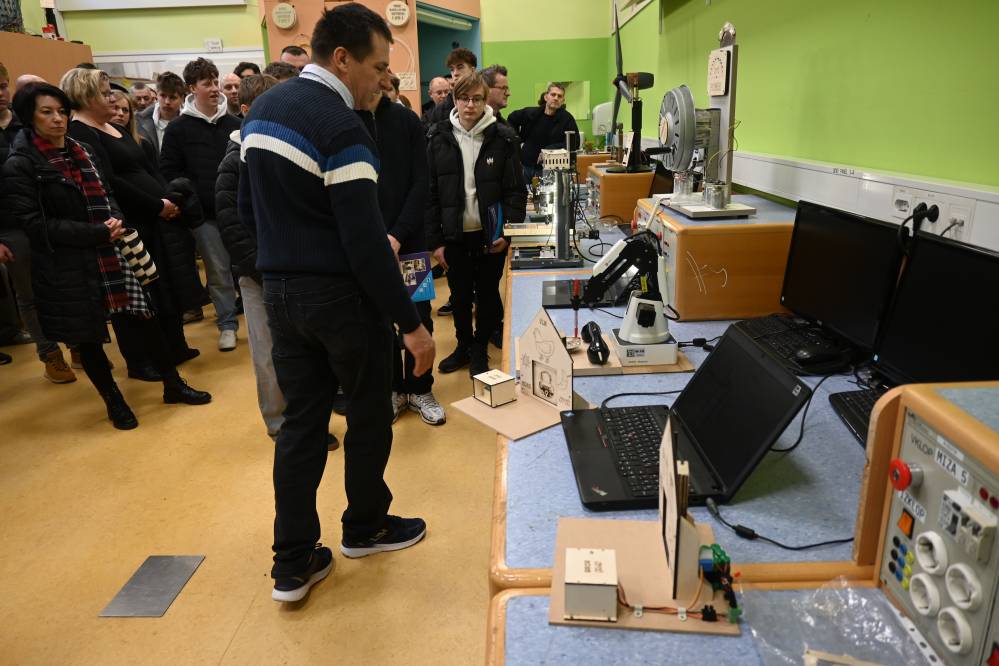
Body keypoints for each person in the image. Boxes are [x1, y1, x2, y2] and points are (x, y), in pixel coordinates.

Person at [240, 3, 435, 603]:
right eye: (378, 67)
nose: (383, 80)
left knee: (301, 425)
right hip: (341, 299)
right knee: (369, 413)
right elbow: (365, 244)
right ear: (343, 58)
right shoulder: (342, 128)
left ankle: (292, 561)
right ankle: (366, 527)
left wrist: (279, 263)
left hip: (281, 295)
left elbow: (247, 211)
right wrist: (411, 325)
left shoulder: (265, 109)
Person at [3, 82, 211, 428]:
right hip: (66, 261)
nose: (57, 119)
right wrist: (96, 232)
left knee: (146, 316)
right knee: (88, 337)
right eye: (47, 112)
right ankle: (114, 401)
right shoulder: (21, 164)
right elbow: (35, 225)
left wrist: (114, 221)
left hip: (112, 248)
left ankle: (173, 384)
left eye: (61, 111)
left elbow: (107, 190)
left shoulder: (82, 149)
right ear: (29, 117)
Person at [64, 68, 204, 372]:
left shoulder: (113, 128)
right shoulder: (80, 133)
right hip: (131, 223)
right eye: (104, 93)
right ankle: (141, 361)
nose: (112, 99)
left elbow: (146, 167)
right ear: (85, 96)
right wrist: (157, 205)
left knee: (163, 288)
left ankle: (173, 348)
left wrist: (169, 199)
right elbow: (111, 182)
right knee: (136, 296)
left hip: (157, 219)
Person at [426, 72, 525, 376]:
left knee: (487, 294)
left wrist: (507, 231)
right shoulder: (437, 137)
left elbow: (515, 191)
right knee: (458, 295)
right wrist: (436, 242)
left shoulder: (503, 138)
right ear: (455, 100)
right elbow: (429, 193)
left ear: (485, 101)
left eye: (477, 99)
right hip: (454, 236)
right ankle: (464, 346)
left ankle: (480, 348)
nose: (470, 105)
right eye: (464, 98)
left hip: (490, 235)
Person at [360, 85, 445, 426]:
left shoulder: (406, 120)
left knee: (420, 314)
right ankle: (395, 390)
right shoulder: (347, 119)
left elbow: (420, 184)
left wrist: (396, 235)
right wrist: (376, 239)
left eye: (386, 78)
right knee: (380, 322)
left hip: (410, 242)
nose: (378, 85)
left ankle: (421, 389)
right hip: (367, 243)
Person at [160, 58, 242, 352]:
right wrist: (191, 200)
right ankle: (227, 325)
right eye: (207, 83)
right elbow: (169, 171)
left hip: (239, 210)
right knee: (218, 272)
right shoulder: (178, 129)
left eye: (216, 81)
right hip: (205, 216)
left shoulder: (235, 125)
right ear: (192, 88)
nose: (215, 88)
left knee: (248, 268)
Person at [0, 63, 74, 380]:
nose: (0, 93)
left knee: (65, 285)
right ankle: (50, 354)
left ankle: (78, 344)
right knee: (29, 295)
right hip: (10, 227)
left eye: (2, 86)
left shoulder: (29, 124)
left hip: (50, 219)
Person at [508, 82, 579, 183]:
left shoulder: (567, 119)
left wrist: (549, 150)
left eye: (559, 96)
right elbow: (511, 119)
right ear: (546, 97)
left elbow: (575, 143)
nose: (556, 98)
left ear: (563, 100)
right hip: (525, 167)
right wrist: (516, 140)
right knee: (524, 193)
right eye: (553, 94)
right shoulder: (531, 113)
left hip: (550, 170)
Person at [424, 48, 476, 128]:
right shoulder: (441, 109)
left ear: (472, 70)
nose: (455, 73)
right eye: (452, 69)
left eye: (460, 67)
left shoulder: (485, 98)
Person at [136, 71, 185, 154]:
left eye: (172, 97)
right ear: (157, 94)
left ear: (182, 98)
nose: (167, 102)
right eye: (163, 95)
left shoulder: (192, 121)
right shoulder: (139, 120)